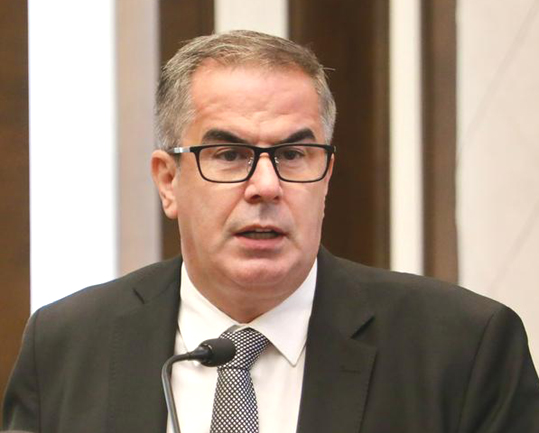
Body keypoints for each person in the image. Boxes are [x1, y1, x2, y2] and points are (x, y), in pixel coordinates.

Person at [3, 30, 539, 433]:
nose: (266, 186)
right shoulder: (67, 346)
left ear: (326, 177)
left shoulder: (465, 349)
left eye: (293, 154)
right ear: (168, 182)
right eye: (229, 154)